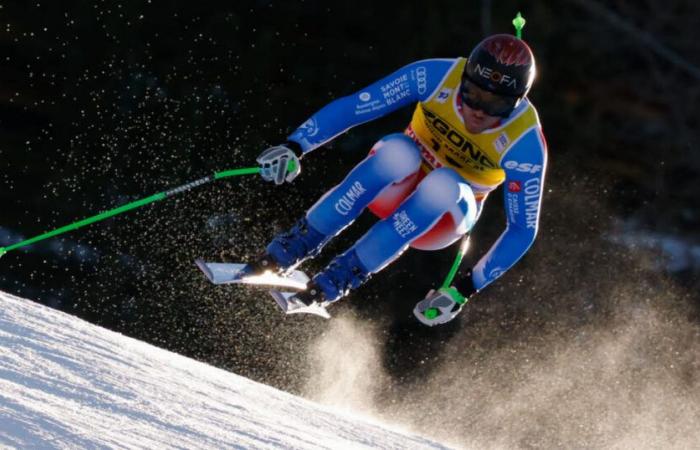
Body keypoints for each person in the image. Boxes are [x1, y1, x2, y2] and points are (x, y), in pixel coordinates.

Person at [230, 34, 547, 326]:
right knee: (398, 151)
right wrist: (295, 145)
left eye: (497, 105)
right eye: (473, 94)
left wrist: (465, 289)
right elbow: (357, 107)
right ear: (463, 78)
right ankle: (290, 247)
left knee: (444, 184)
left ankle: (339, 279)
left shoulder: (525, 144)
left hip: (439, 218)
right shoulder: (437, 77)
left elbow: (522, 229)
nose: (478, 111)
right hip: (394, 186)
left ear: (517, 102)